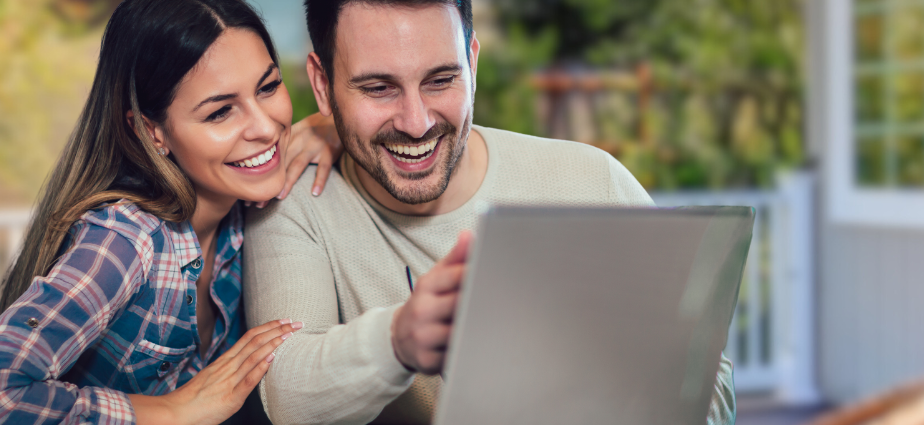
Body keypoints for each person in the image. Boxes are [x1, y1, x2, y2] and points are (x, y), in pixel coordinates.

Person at [240, 1, 736, 424]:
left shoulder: (591, 181)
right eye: (378, 88)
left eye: (440, 80)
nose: (417, 123)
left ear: (472, 63)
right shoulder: (292, 201)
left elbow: (708, 376)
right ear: (322, 86)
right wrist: (398, 342)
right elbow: (287, 391)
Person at [0, 0, 342, 423]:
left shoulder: (243, 206)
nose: (265, 126)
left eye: (268, 87)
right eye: (220, 111)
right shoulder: (126, 240)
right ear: (151, 130)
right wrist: (173, 410)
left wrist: (331, 127)